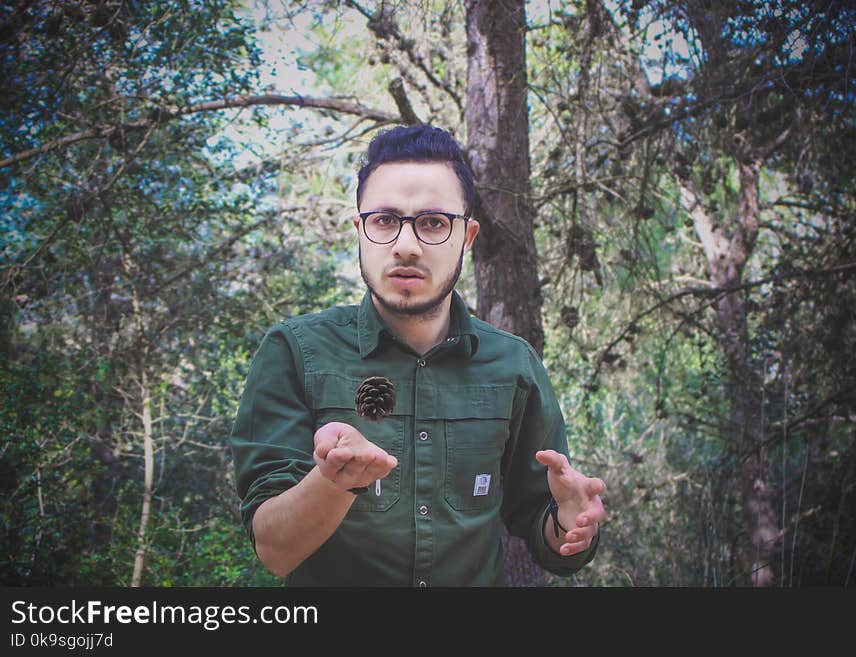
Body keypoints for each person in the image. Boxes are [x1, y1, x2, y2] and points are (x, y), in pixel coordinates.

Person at [229, 124, 605, 586]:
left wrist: (570, 523)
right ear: (360, 232)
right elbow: (274, 549)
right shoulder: (294, 353)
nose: (406, 245)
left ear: (466, 237)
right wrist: (332, 481)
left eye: (432, 222)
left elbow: (540, 525)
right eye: (385, 220)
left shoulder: (514, 367)